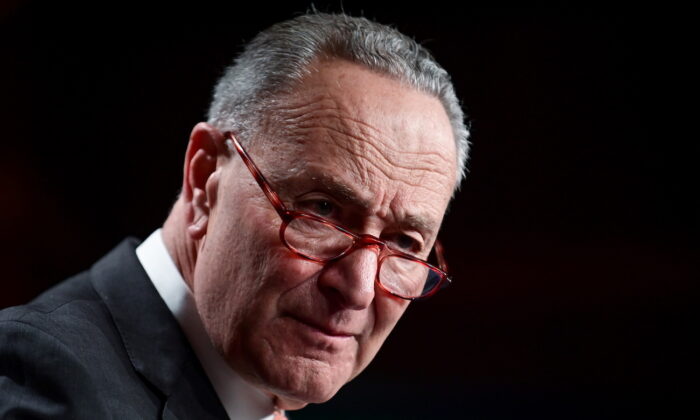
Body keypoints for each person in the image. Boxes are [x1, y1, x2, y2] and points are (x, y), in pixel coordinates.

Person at [0, 12, 470, 419]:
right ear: (205, 178)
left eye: (405, 243)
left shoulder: (245, 393)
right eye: (322, 210)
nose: (358, 288)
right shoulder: (46, 381)